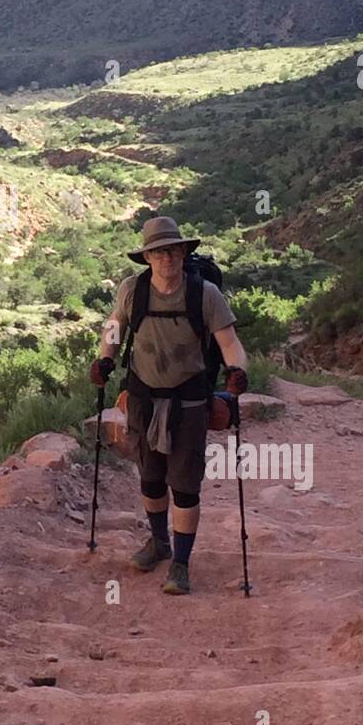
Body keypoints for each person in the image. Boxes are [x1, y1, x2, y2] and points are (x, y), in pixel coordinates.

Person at [90, 217, 248, 595]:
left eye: (173, 251)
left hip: (189, 399)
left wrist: (237, 370)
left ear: (182, 252)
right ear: (147, 257)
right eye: (159, 252)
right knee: (150, 477)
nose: (167, 259)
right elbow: (114, 328)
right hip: (143, 396)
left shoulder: (204, 293)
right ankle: (158, 542)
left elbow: (229, 341)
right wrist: (104, 359)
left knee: (185, 484)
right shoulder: (133, 291)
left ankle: (180, 562)